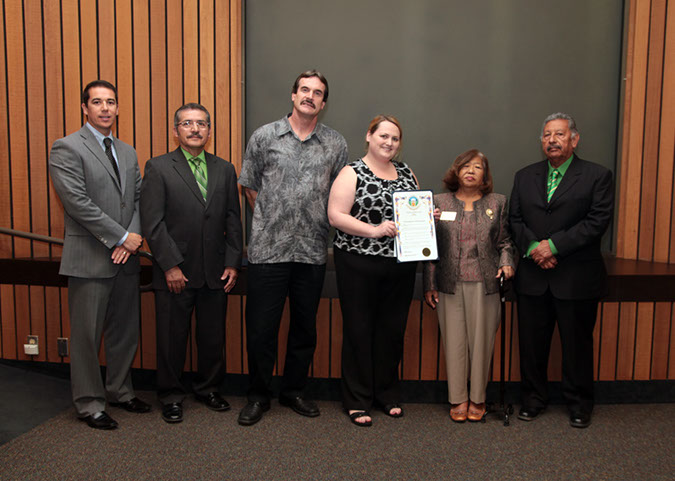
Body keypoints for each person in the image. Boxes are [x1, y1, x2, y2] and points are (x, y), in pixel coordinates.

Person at [237, 70, 348, 426]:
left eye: (317, 93)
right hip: (268, 250)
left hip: (312, 251)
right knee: (260, 328)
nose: (310, 96)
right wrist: (274, 219)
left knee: (304, 328)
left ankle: (293, 390)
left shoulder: (336, 144)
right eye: (304, 90)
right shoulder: (264, 137)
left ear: (323, 103)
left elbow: (341, 195)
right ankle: (258, 395)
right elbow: (250, 188)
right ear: (293, 95)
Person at [48, 80, 151, 430]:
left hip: (127, 257)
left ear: (118, 107)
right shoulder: (66, 147)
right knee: (87, 336)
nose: (105, 108)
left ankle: (120, 390)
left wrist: (132, 239)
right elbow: (77, 203)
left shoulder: (127, 151)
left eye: (110, 102)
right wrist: (121, 237)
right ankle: (90, 403)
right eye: (97, 102)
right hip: (90, 257)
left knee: (125, 331)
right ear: (85, 108)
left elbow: (138, 199)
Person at [509, 112, 614, 428]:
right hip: (533, 277)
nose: (552, 140)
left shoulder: (597, 176)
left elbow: (596, 223)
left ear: (574, 139)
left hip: (576, 278)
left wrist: (552, 247)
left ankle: (580, 404)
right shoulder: (525, 175)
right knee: (531, 346)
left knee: (577, 346)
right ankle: (533, 399)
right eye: (547, 135)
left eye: (559, 134)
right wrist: (533, 248)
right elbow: (515, 220)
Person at [140, 103, 242, 424]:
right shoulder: (158, 167)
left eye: (201, 124)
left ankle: (208, 388)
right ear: (176, 131)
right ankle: (171, 395)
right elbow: (152, 223)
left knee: (212, 336)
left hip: (215, 270)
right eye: (187, 123)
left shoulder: (224, 169)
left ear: (210, 131)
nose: (195, 129)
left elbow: (232, 219)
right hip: (176, 271)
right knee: (172, 338)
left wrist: (233, 262)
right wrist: (169, 265)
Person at [328, 115, 419, 427]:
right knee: (359, 329)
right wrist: (374, 230)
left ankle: (386, 394)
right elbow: (335, 215)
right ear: (369, 136)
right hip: (357, 262)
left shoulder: (407, 172)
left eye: (394, 138)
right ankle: (357, 400)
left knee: (391, 331)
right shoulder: (351, 172)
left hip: (400, 265)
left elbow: (412, 210)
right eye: (383, 136)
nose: (389, 143)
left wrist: (425, 216)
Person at [423, 149, 516, 422]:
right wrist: (429, 284)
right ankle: (458, 399)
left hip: (485, 283)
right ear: (456, 170)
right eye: (466, 166)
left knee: (481, 342)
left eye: (478, 167)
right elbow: (431, 247)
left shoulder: (497, 203)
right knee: (454, 342)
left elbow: (505, 242)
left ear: (485, 175)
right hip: (448, 283)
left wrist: (507, 262)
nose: (471, 170)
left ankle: (478, 398)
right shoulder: (439, 202)